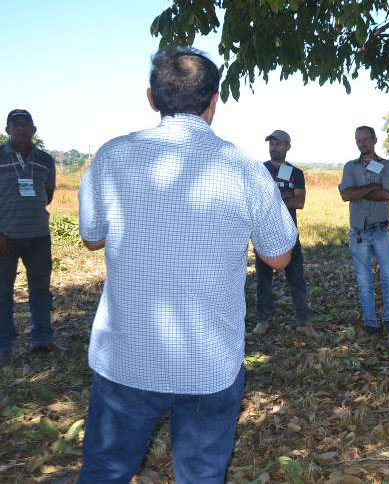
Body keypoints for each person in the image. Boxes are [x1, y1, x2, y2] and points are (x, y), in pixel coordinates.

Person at [77, 47, 298, 483]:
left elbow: (90, 238)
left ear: (151, 98)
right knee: (201, 474)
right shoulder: (244, 168)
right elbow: (279, 255)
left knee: (105, 471)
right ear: (214, 100)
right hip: (208, 361)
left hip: (126, 356)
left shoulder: (112, 157)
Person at [0, 109, 56, 365]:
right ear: (7, 129)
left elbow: (48, 194)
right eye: (16, 124)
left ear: (34, 130)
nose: (21, 129)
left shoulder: (45, 160)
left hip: (38, 237)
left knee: (41, 291)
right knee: (2, 292)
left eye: (26, 125)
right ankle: (4, 343)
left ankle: (42, 339)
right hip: (5, 237)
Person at [338, 126, 389, 337]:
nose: (362, 143)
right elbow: (346, 194)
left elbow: (387, 193)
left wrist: (360, 192)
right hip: (358, 233)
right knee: (364, 280)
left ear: (375, 140)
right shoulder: (350, 167)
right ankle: (370, 322)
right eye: (358, 140)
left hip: (381, 231)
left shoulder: (386, 165)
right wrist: (370, 188)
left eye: (366, 139)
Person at [253, 129, 312, 335]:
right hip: (264, 234)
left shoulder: (295, 173)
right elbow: (255, 201)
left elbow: (300, 201)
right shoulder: (259, 170)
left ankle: (304, 323)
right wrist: (285, 194)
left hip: (289, 234)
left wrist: (274, 197)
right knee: (263, 281)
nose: (274, 147)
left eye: (278, 144)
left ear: (288, 146)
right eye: (271, 143)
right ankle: (263, 321)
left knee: (297, 279)